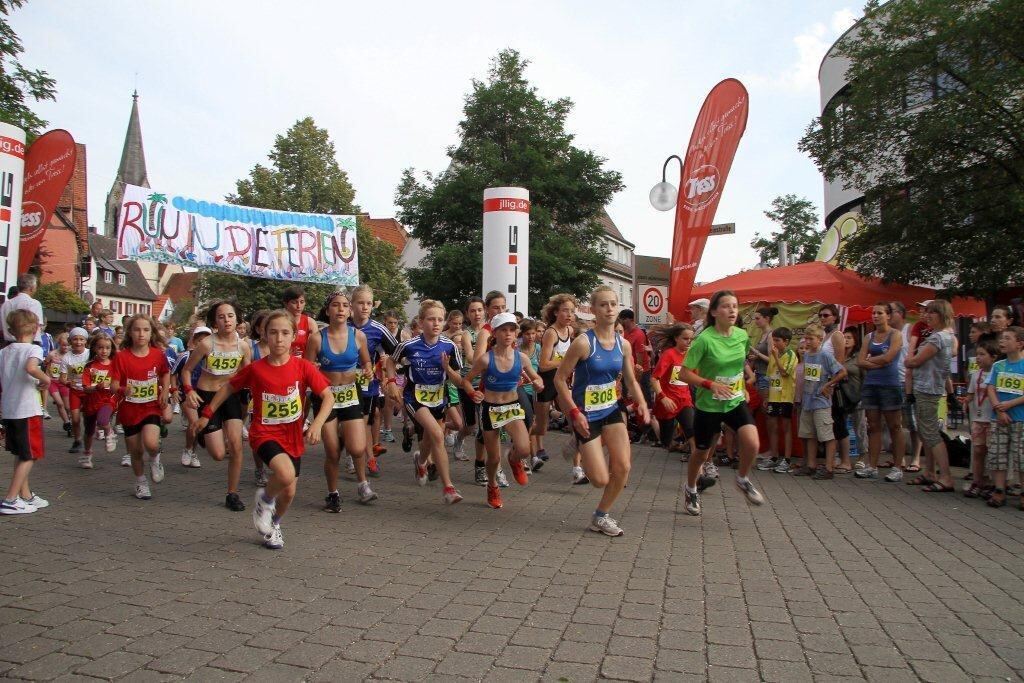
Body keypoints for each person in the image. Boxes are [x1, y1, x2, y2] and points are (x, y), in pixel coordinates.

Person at [196, 310, 334, 550]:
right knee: (285, 474)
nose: (279, 338)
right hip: (265, 433)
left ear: (294, 337)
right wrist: (207, 413)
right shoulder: (256, 369)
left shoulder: (303, 367)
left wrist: (318, 424)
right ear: (264, 335)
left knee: (288, 493)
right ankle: (264, 499)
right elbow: (228, 387)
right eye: (273, 333)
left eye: (285, 333)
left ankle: (274, 525)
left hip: (292, 436)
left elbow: (328, 397)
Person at [554, 286, 649, 536]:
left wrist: (642, 403)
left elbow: (630, 379)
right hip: (585, 415)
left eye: (613, 304)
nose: (609, 309)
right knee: (599, 480)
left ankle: (601, 516)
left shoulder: (623, 345)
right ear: (594, 310)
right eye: (603, 304)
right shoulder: (584, 343)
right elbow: (560, 379)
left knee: (623, 467)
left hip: (611, 409)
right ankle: (578, 440)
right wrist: (574, 413)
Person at [678, 291, 766, 516]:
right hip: (709, 405)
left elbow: (738, 365)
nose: (732, 310)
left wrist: (742, 387)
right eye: (726, 306)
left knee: (752, 442)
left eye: (735, 306)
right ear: (715, 312)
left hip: (734, 400)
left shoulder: (741, 336)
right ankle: (691, 488)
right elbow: (684, 374)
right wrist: (709, 384)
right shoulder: (704, 340)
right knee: (701, 453)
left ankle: (742, 479)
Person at [386, 300, 465, 505]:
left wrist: (447, 369)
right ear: (421, 322)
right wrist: (392, 382)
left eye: (440, 319)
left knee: (430, 440)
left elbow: (458, 380)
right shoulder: (408, 345)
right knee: (438, 435)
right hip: (414, 398)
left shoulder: (449, 346)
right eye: (431, 319)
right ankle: (449, 488)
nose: (436, 323)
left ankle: (420, 461)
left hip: (439, 398)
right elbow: (390, 361)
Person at [463, 311, 544, 509]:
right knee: (493, 458)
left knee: (524, 449)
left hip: (512, 407)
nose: (508, 334)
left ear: (516, 333)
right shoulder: (485, 359)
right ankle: (492, 485)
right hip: (491, 409)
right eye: (503, 330)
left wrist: (538, 383)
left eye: (511, 330)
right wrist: (473, 393)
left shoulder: (521, 358)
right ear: (495, 334)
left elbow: (536, 378)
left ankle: (514, 459)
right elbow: (467, 380)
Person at [305, 290, 374, 511]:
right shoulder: (317, 338)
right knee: (333, 452)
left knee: (358, 448)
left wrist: (369, 370)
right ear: (327, 311)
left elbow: (366, 362)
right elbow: (305, 370)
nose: (341, 309)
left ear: (350, 310)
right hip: (326, 396)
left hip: (351, 394)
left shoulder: (358, 336)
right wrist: (313, 370)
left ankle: (363, 484)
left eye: (345, 305)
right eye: (335, 305)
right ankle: (332, 493)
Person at [182, 300, 252, 511]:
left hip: (230, 396)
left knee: (236, 445)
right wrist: (189, 391)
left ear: (237, 319)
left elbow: (248, 374)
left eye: (230, 316)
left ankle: (232, 494)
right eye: (221, 317)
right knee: (218, 454)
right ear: (215, 322)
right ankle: (203, 434)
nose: (226, 320)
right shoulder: (206, 344)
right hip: (207, 396)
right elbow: (187, 370)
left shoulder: (243, 346)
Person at [110, 315, 172, 500]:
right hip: (129, 409)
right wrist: (123, 389)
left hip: (151, 406)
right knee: (136, 451)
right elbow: (113, 385)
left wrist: (165, 391)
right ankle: (141, 482)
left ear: (152, 333)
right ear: (130, 332)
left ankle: (155, 458)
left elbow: (165, 373)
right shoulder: (121, 357)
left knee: (151, 442)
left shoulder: (157, 355)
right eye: (137, 329)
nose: (141, 334)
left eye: (146, 330)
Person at [0, 310, 50, 515]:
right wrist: (45, 379)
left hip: (10, 409)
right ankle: (10, 499)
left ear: (11, 330)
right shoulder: (33, 349)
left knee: (21, 453)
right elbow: (31, 368)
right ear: (36, 328)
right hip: (27, 409)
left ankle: (25, 494)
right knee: (30, 455)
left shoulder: (4, 352)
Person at [904, 300, 958, 492]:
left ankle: (946, 477)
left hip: (928, 388)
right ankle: (930, 472)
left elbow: (915, 361)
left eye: (931, 313)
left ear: (941, 315)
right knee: (925, 431)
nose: (927, 316)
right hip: (926, 387)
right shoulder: (944, 336)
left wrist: (909, 360)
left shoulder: (938, 338)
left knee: (931, 433)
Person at [348, 286, 399, 481]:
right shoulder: (342, 324)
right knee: (348, 423)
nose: (365, 307)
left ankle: (367, 458)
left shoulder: (378, 329)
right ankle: (354, 453)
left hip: (366, 384)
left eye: (368, 303)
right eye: (360, 303)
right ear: (352, 304)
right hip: (342, 384)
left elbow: (398, 351)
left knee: (364, 422)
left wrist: (388, 367)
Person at [533, 294, 582, 482]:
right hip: (546, 382)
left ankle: (577, 469)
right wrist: (566, 360)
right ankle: (522, 444)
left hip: (562, 382)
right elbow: (544, 364)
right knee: (542, 428)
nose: (569, 315)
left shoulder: (570, 330)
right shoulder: (551, 333)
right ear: (555, 312)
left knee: (575, 423)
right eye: (565, 311)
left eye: (572, 311)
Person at [856, 304, 906, 481]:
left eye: (880, 313)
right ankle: (872, 466)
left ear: (888, 315)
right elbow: (860, 361)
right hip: (871, 384)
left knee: (894, 426)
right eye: (873, 313)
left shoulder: (895, 334)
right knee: (873, 426)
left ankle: (897, 467)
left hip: (890, 384)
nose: (875, 316)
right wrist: (877, 362)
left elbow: (889, 357)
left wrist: (870, 361)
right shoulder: (868, 337)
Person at [794, 323, 847, 480]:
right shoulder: (807, 355)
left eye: (811, 339)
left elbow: (842, 372)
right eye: (806, 339)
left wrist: (828, 384)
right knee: (809, 434)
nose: (808, 342)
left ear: (820, 339)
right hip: (808, 401)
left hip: (821, 402)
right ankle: (811, 465)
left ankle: (829, 467)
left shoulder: (825, 355)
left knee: (826, 435)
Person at [985, 327, 1024, 507]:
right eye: (1002, 338)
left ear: (1020, 344)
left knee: (1021, 456)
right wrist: (999, 409)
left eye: (1008, 338)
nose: (1002, 341)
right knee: (997, 454)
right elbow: (991, 387)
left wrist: (1009, 405)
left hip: (1020, 418)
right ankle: (999, 489)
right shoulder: (998, 365)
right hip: (999, 418)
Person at [650, 324, 696, 455]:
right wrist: (663, 397)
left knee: (691, 430)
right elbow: (654, 379)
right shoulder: (669, 354)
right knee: (666, 440)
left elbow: (695, 377)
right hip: (667, 403)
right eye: (685, 338)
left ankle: (697, 461)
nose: (689, 342)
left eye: (691, 339)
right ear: (676, 338)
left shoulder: (691, 355)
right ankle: (674, 444)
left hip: (684, 400)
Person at [758, 327, 797, 473]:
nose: (774, 343)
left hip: (785, 397)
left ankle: (786, 459)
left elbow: (784, 372)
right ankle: (774, 457)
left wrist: (775, 356)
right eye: (773, 340)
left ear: (786, 341)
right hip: (773, 396)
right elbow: (770, 377)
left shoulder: (791, 354)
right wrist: (767, 396)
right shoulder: (773, 356)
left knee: (786, 427)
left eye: (777, 340)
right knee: (772, 426)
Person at [962, 337, 998, 498]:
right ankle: (977, 481)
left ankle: (992, 483)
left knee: (992, 452)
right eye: (977, 354)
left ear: (993, 357)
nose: (978, 358)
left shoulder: (997, 374)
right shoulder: (976, 375)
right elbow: (971, 394)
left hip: (992, 420)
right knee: (978, 450)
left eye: (982, 354)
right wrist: (966, 401)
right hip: (978, 419)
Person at [173, 326, 211, 469]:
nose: (203, 343)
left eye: (206, 340)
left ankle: (193, 452)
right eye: (200, 340)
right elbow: (173, 373)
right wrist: (173, 389)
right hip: (187, 394)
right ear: (194, 341)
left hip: (204, 395)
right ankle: (188, 449)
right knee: (194, 422)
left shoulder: (211, 358)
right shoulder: (185, 356)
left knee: (198, 426)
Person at [79, 333, 118, 467]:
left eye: (107, 348)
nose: (104, 351)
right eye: (100, 347)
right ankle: (87, 454)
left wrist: (113, 386)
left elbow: (119, 384)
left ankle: (109, 432)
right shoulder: (89, 366)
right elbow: (85, 388)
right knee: (89, 430)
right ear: (94, 348)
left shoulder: (115, 366)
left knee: (102, 420)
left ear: (112, 349)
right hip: (91, 401)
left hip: (107, 400)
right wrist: (96, 387)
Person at [60, 327, 91, 454]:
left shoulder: (90, 354)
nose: (78, 342)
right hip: (75, 391)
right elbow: (62, 378)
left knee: (89, 418)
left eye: (81, 339)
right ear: (70, 341)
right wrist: (67, 382)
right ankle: (77, 440)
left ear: (86, 341)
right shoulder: (66, 358)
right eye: (75, 339)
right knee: (75, 418)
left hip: (89, 391)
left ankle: (89, 439)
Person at [747, 306, 778, 406]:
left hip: (765, 376)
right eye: (755, 319)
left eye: (758, 318)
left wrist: (756, 352)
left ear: (767, 319)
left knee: (765, 407)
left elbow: (772, 360)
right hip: (759, 374)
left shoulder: (770, 335)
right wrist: (756, 357)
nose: (755, 321)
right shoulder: (763, 334)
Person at [0, 273, 43, 343]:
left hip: (8, 344)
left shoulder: (5, 305)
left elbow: (2, 327)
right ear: (31, 288)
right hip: (30, 343)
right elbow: (37, 326)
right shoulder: (34, 304)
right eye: (35, 287)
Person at [44, 333, 72, 435]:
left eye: (68, 345)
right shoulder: (52, 354)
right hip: (53, 381)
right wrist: (47, 376)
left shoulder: (70, 356)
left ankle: (69, 419)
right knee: (59, 403)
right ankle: (67, 422)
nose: (66, 347)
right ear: (59, 344)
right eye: (63, 345)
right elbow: (45, 365)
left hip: (64, 382)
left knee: (68, 407)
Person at [282, 286, 318, 357]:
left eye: (302, 302)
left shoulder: (310, 323)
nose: (299, 306)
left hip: (304, 361)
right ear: (285, 304)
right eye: (294, 302)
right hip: (283, 361)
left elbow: (316, 348)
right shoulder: (279, 322)